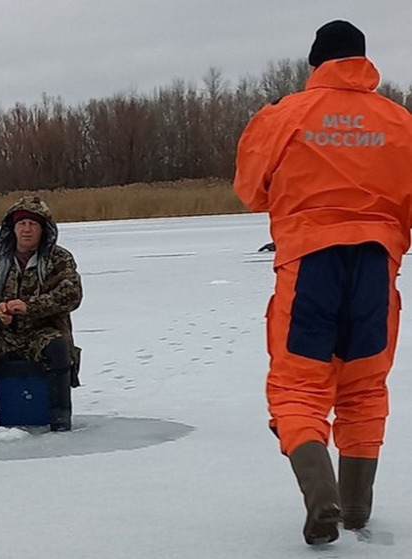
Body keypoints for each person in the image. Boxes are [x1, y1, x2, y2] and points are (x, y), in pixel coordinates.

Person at [234, 20, 412, 545]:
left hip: (310, 262)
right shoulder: (400, 122)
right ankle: (356, 509)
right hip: (376, 268)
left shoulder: (284, 116)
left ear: (316, 64)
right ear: (363, 62)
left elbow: (251, 191)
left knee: (297, 389)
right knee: (363, 388)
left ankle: (322, 498)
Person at [0, 196, 83, 434]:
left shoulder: (59, 258)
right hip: (1, 332)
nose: (27, 229)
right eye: (21, 224)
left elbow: (72, 295)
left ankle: (60, 414)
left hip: (43, 331)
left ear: (44, 230)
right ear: (12, 228)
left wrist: (30, 306)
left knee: (58, 347)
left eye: (33, 224)